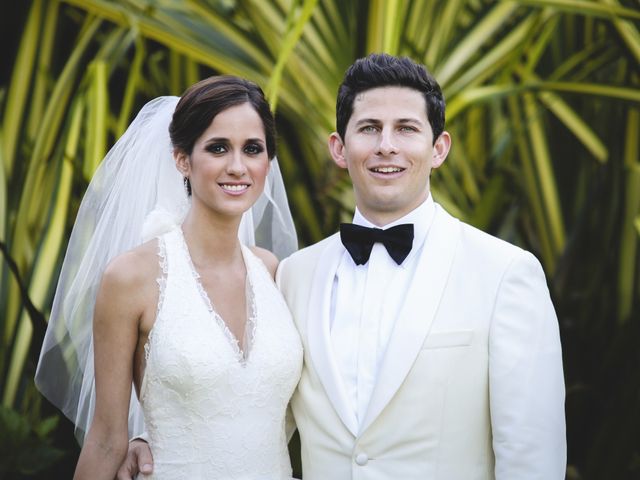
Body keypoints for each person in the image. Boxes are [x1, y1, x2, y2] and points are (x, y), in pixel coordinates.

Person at [121, 53, 566, 479]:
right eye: (369, 128)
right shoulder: (291, 275)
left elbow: (531, 456)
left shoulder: (505, 272)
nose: (386, 146)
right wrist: (151, 436)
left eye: (406, 129)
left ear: (438, 148)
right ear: (339, 147)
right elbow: (244, 394)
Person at [36, 76, 302, 479]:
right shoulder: (132, 278)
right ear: (181, 159)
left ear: (268, 161)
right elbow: (107, 439)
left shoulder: (274, 272)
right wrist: (142, 437)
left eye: (253, 149)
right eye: (217, 148)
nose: (237, 166)